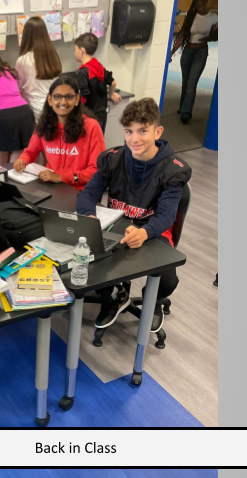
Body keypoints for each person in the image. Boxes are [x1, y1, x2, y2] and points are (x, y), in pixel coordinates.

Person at [77, 98, 190, 333]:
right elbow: (88, 194)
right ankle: (114, 297)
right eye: (129, 131)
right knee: (90, 264)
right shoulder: (113, 159)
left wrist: (145, 231)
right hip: (117, 227)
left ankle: (154, 300)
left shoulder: (173, 169)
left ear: (158, 131)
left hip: (153, 230)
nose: (134, 139)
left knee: (167, 281)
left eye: (143, 131)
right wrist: (88, 216)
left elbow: (167, 216)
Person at [15, 75, 103, 189]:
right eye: (57, 97)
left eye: (69, 97)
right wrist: (22, 160)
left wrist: (61, 177)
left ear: (77, 100)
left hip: (80, 190)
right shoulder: (44, 125)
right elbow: (30, 152)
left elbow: (95, 171)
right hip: (53, 185)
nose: (63, 102)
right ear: (50, 100)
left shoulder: (91, 127)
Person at [169, 1, 217, 124]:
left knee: (191, 84)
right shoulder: (191, 16)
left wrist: (210, 38)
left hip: (201, 53)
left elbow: (213, 35)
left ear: (206, 2)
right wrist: (172, 52)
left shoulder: (213, 17)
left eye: (201, 4)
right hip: (187, 52)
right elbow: (182, 36)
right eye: (196, 5)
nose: (199, 7)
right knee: (185, 83)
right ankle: (182, 107)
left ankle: (186, 112)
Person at [14, 17, 63, 118]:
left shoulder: (23, 61)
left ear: (26, 36)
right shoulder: (53, 56)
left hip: (35, 113)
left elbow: (17, 89)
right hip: (54, 110)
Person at [72, 33, 120, 132]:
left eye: (75, 50)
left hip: (90, 119)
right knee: (99, 144)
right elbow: (113, 82)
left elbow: (83, 99)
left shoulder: (82, 73)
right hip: (102, 115)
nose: (74, 53)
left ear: (82, 51)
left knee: (89, 145)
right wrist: (111, 94)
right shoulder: (98, 66)